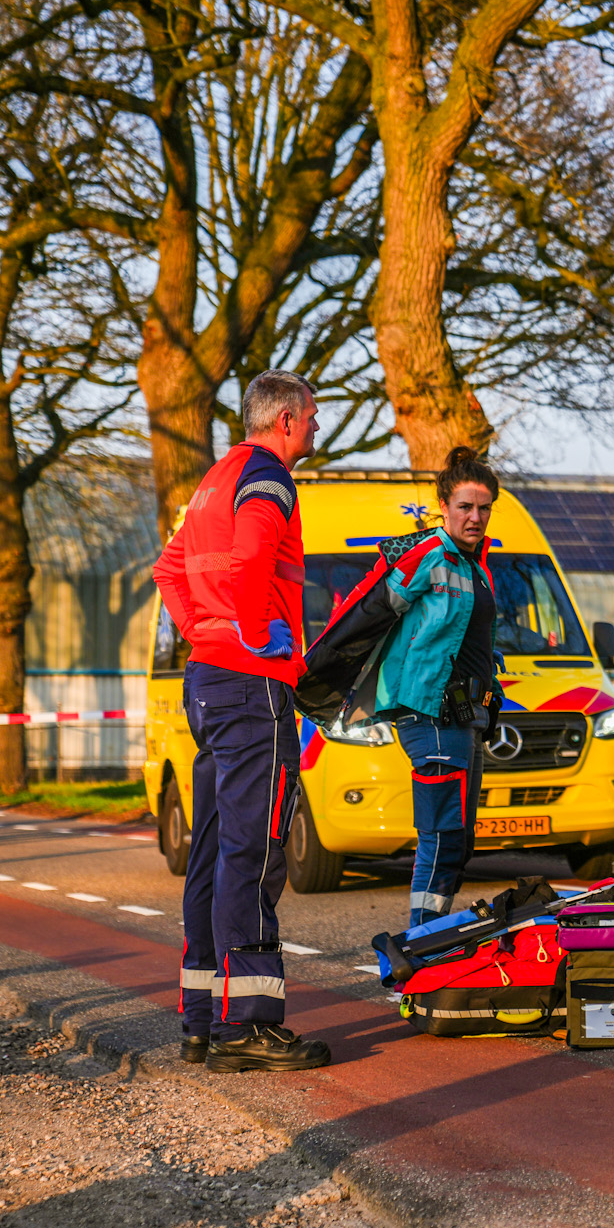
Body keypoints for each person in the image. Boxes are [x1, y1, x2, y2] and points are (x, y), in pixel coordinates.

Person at [151, 370, 330, 1073]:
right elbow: (255, 556)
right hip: (252, 683)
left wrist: (206, 628)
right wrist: (254, 631)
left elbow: (168, 570)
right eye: (312, 417)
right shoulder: (269, 476)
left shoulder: (212, 481)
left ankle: (201, 1017)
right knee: (254, 849)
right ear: (284, 420)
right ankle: (249, 1025)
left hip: (209, 679)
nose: (317, 427)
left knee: (215, 845)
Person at [299, 448, 502, 925]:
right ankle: (421, 943)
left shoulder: (480, 567)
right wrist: (317, 672)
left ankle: (438, 936)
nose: (475, 517)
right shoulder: (428, 557)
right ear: (444, 506)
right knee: (440, 832)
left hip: (464, 716)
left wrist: (491, 693)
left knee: (460, 839)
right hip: (426, 712)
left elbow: (472, 642)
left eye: (484, 508)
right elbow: (365, 611)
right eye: (465, 507)